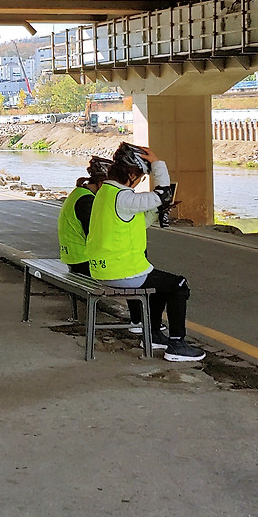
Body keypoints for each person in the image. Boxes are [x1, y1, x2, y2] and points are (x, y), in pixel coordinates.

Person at [86, 142, 204, 363]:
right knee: (178, 285)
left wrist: (157, 211)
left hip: (103, 270)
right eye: (141, 176)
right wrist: (158, 163)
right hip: (121, 272)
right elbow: (163, 193)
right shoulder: (123, 197)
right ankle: (177, 344)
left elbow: (137, 223)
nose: (141, 180)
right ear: (131, 174)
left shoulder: (106, 194)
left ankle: (154, 334)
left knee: (159, 284)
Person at [58, 156, 111, 276]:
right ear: (102, 183)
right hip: (85, 261)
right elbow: (95, 237)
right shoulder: (87, 201)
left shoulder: (79, 193)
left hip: (75, 258)